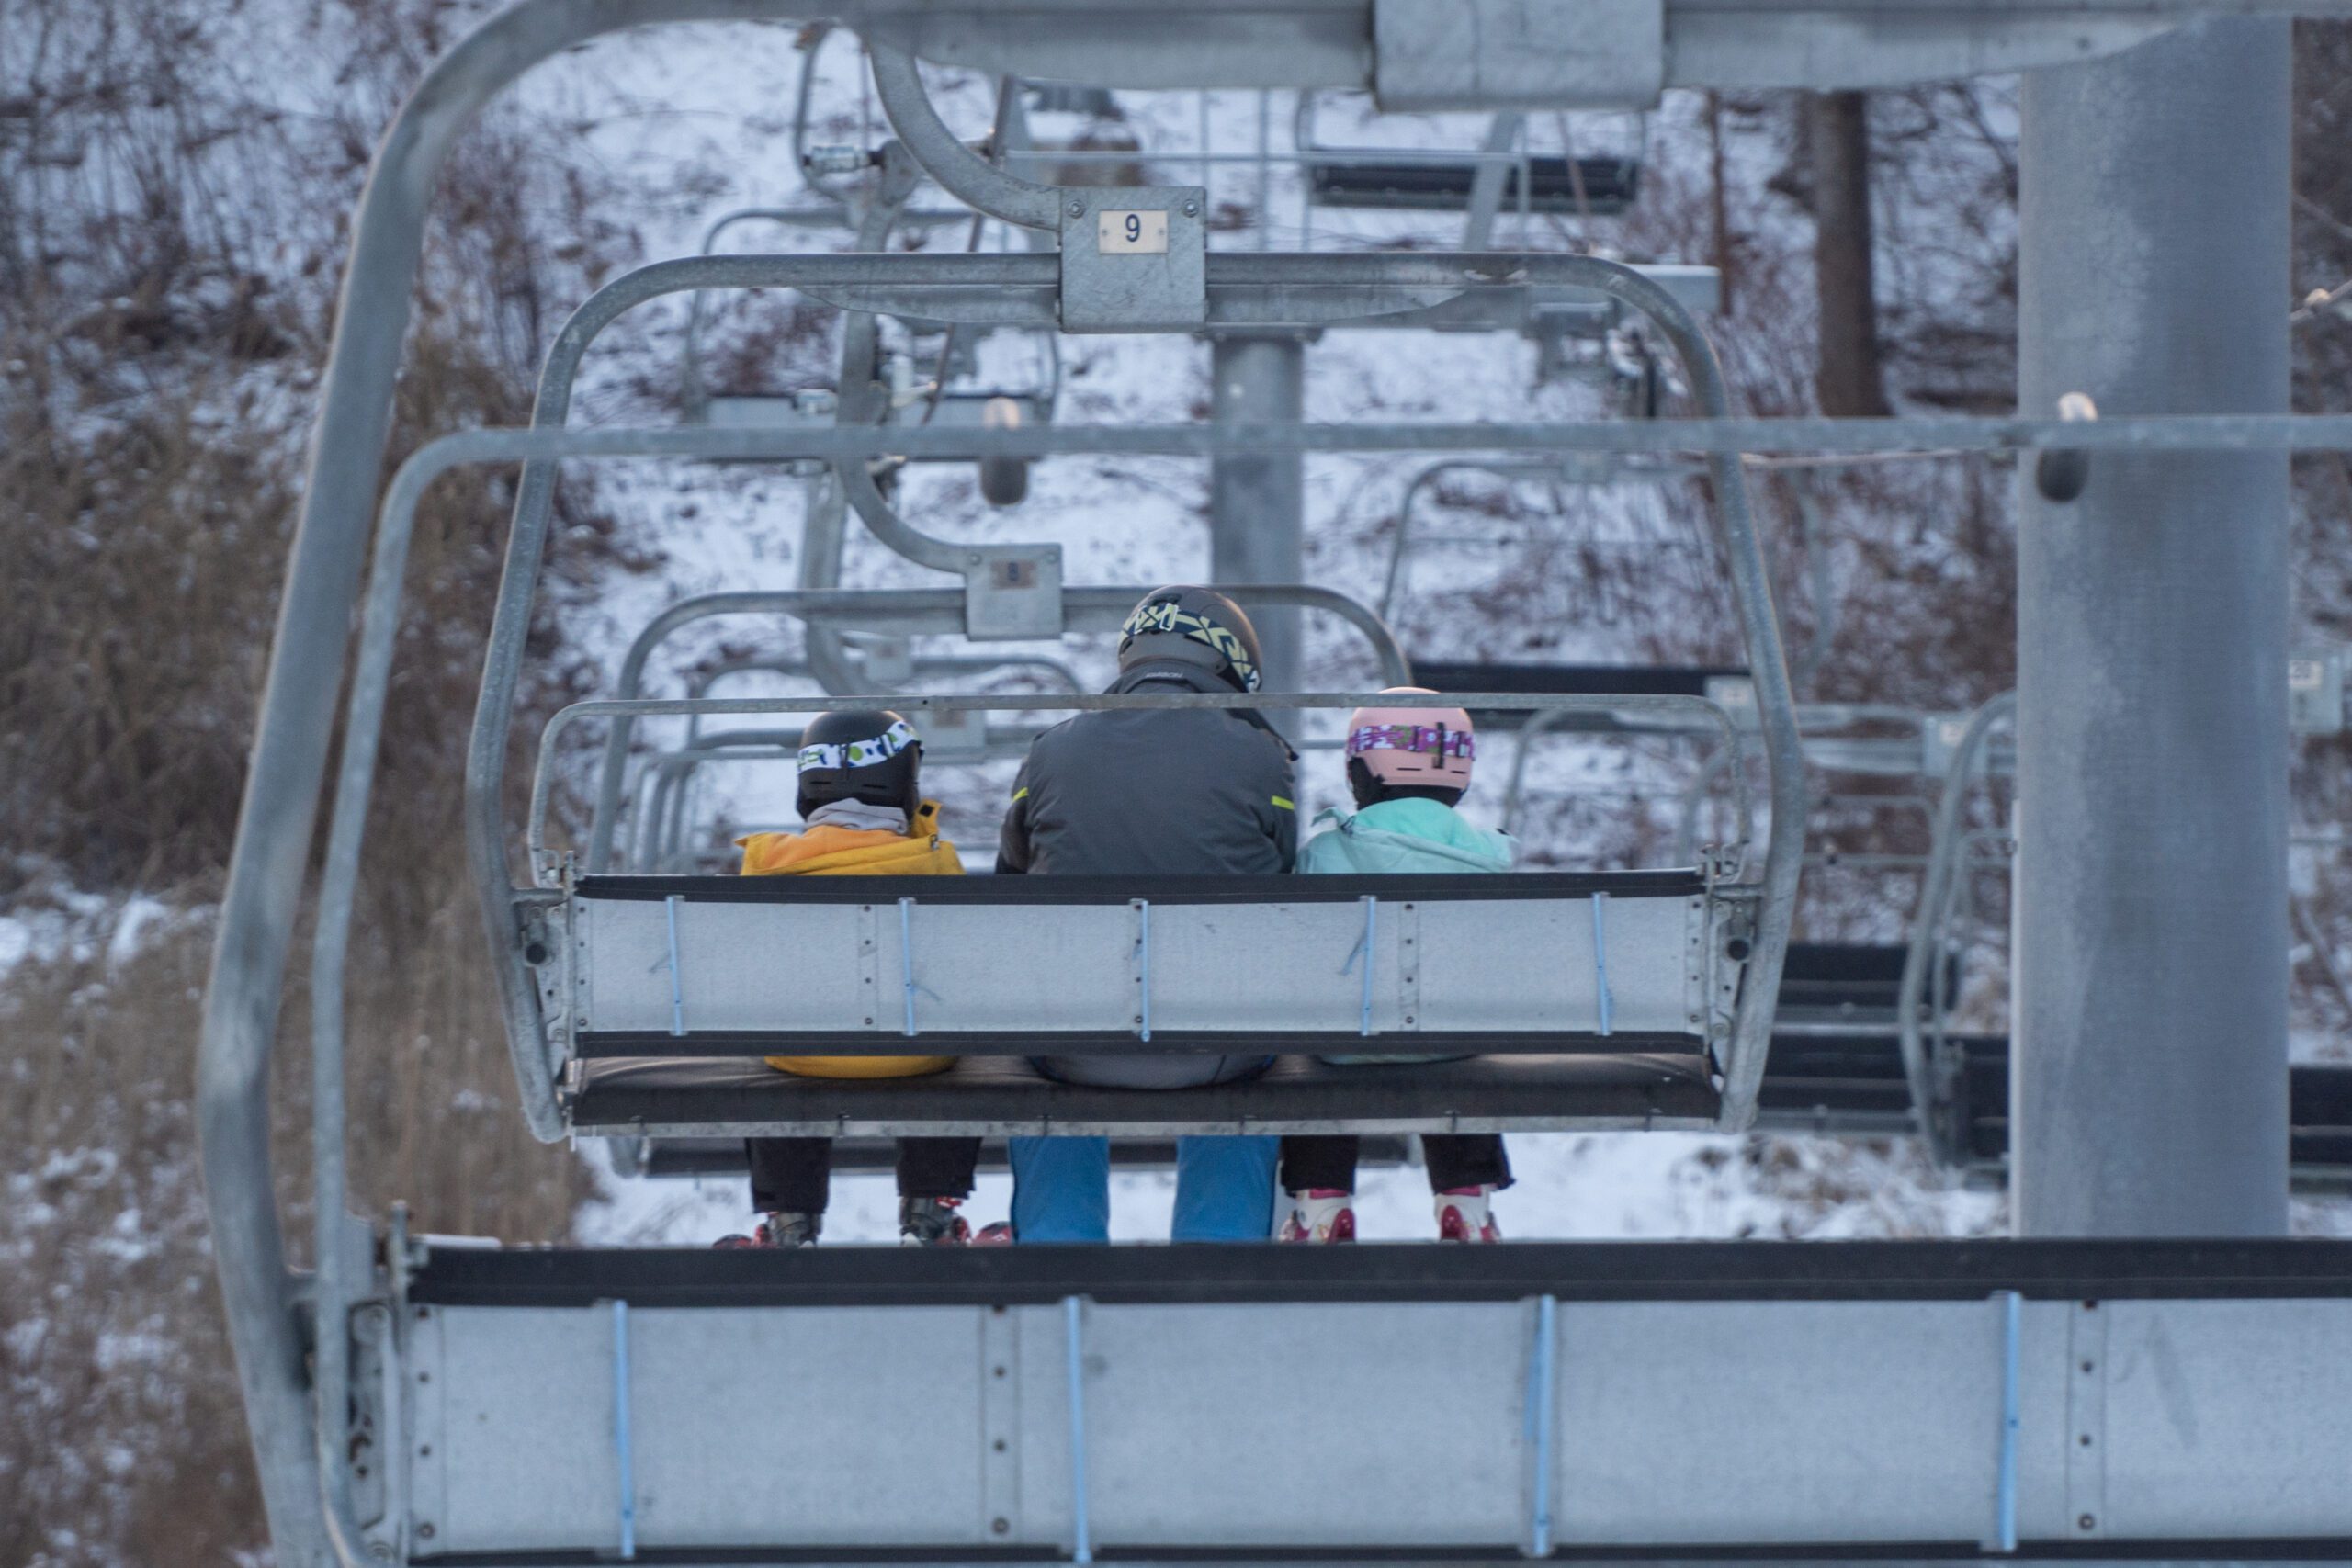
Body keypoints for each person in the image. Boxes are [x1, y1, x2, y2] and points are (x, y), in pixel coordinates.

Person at [996, 586, 1295, 1242]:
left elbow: (1009, 885)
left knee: (1046, 1055)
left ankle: (1057, 1263)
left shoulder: (1051, 750)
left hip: (1072, 1046)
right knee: (1248, 1055)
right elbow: (1283, 880)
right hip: (1216, 1048)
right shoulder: (1261, 756)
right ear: (1231, 664)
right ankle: (1218, 1266)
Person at [714, 709, 981, 1247]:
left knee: (784, 1031)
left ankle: (790, 1217)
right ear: (905, 784)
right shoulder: (934, 864)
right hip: (919, 1057)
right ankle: (930, 1208)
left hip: (801, 1054)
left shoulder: (767, 868)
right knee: (940, 1031)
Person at [1276, 690, 1514, 1243]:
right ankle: (1465, 1203)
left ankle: (1322, 1205)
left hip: (1343, 1043)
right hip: (1455, 1038)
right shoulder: (1491, 859)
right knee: (1455, 1037)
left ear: (1363, 772)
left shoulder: (1324, 854)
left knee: (1321, 1043)